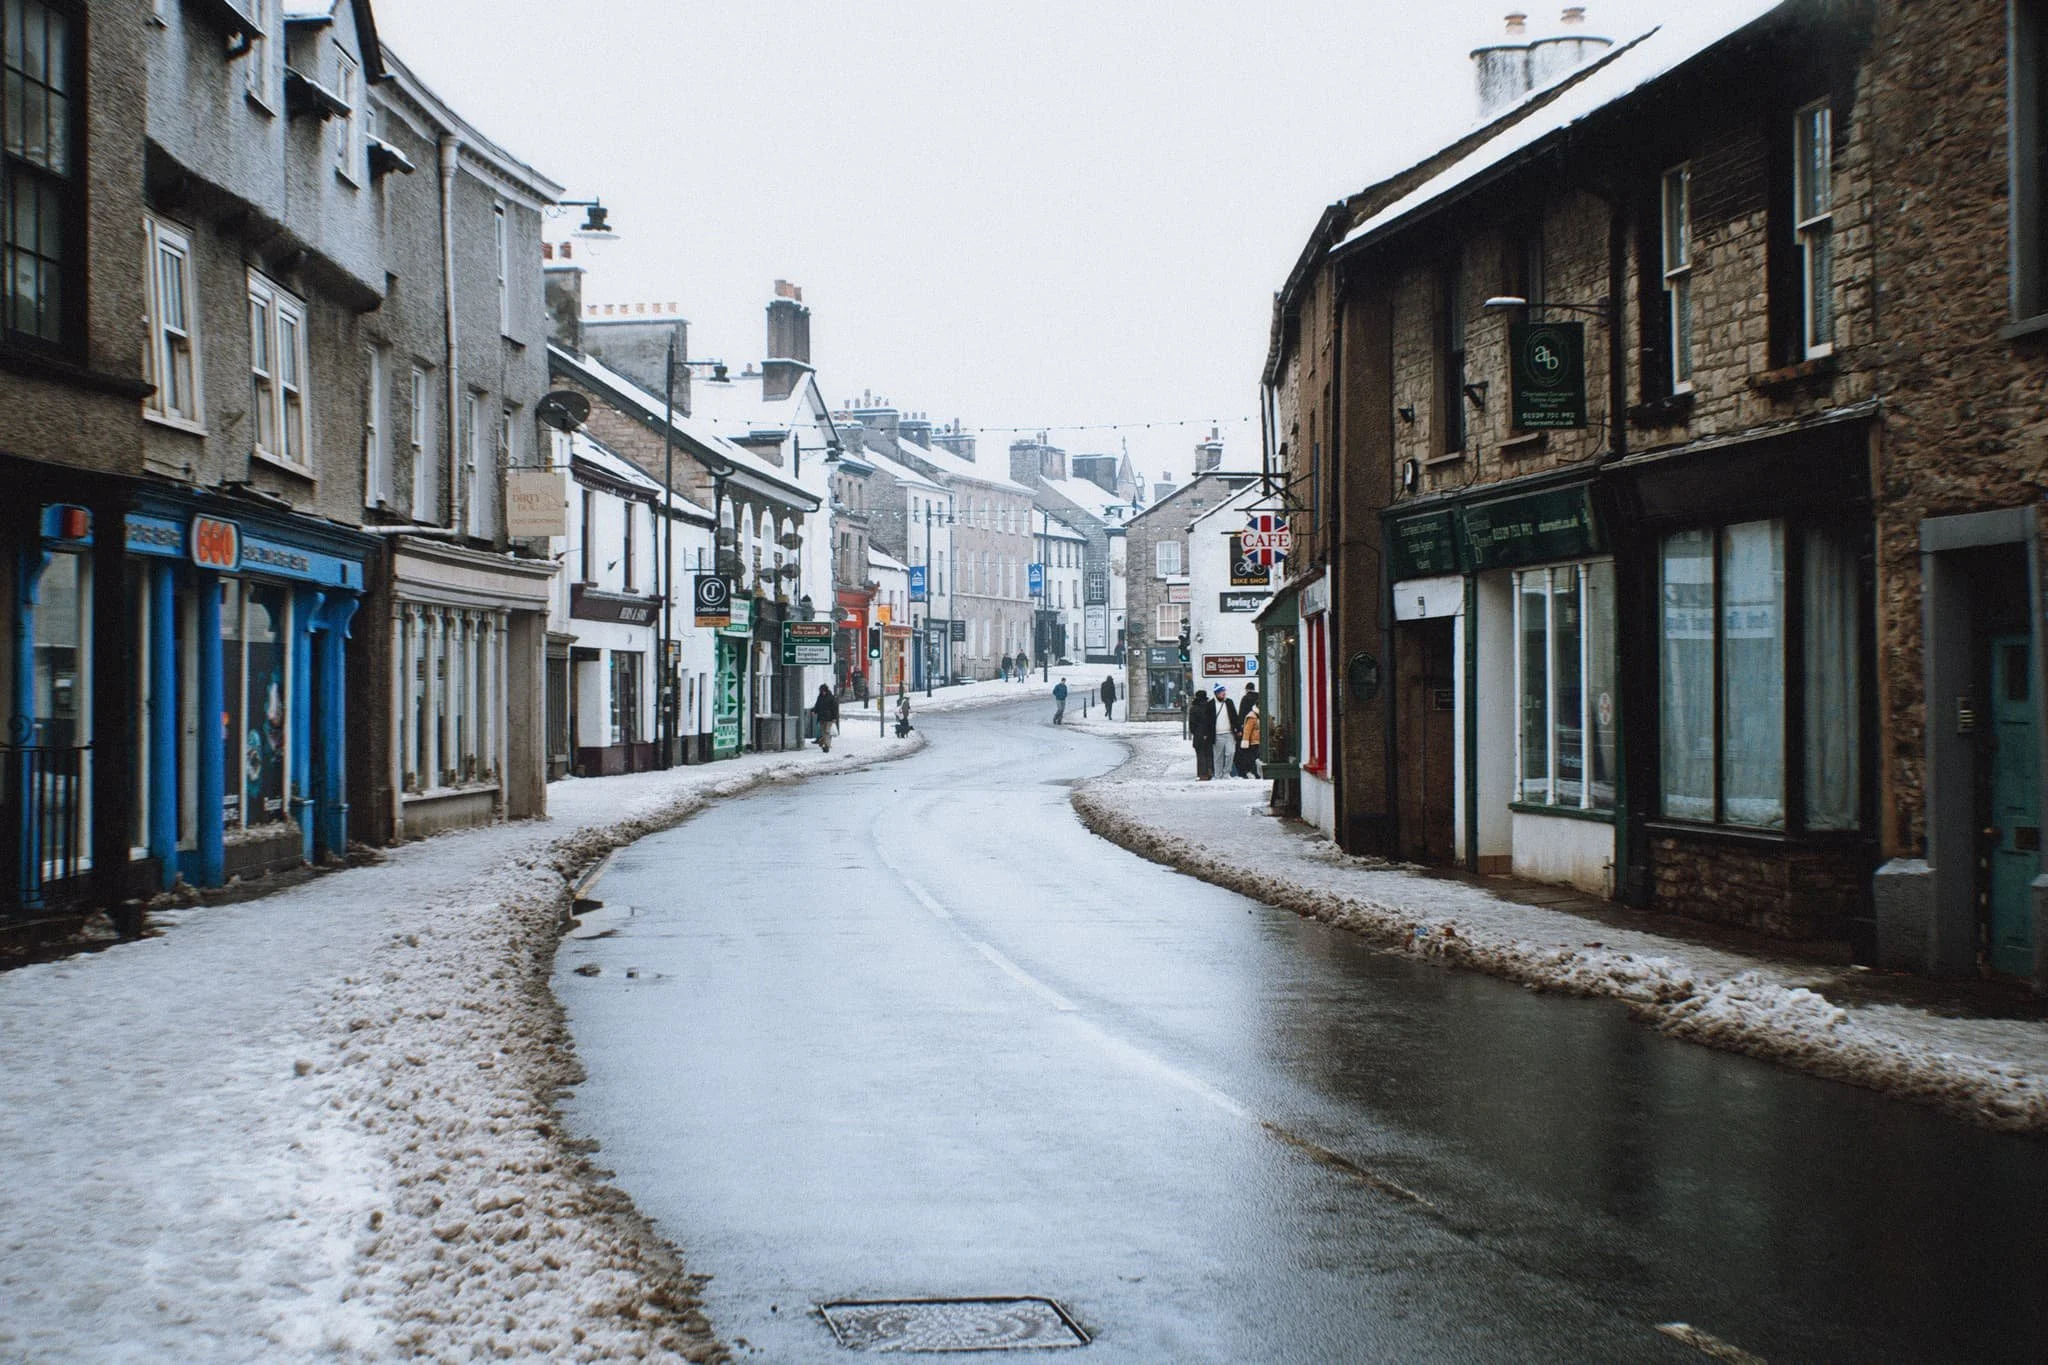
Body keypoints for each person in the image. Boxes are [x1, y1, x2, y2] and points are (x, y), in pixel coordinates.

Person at [1188, 686, 1217, 779]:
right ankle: (1210, 771)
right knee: (1209, 754)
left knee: (1200, 754)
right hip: (1208, 733)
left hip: (1198, 734)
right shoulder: (1209, 707)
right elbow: (1212, 721)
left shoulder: (1194, 708)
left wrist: (1196, 732)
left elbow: (1191, 724)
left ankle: (1202, 774)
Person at [1213, 684, 1238, 778]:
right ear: (1216, 693)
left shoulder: (1229, 702)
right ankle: (1218, 774)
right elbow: (1208, 720)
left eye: (1224, 692)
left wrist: (1238, 728)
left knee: (1231, 752)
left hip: (1229, 733)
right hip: (1217, 734)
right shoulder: (1211, 704)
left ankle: (1226, 772)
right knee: (1218, 756)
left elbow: (1234, 716)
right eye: (1221, 692)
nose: (1223, 694)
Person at [811, 683, 839, 752]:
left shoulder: (831, 698)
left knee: (827, 732)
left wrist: (834, 718)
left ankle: (826, 746)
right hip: (821, 717)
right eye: (821, 691)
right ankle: (823, 742)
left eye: (822, 691)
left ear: (825, 690)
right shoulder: (820, 697)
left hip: (829, 718)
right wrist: (814, 710)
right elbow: (817, 705)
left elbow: (835, 708)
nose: (821, 692)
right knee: (823, 732)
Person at [1236, 701, 1261, 778]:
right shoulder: (1252, 716)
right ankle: (1254, 772)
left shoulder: (1261, 714)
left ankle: (1256, 772)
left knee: (1256, 758)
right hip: (1254, 741)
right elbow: (1247, 730)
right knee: (1253, 758)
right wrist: (1245, 741)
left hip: (1259, 741)